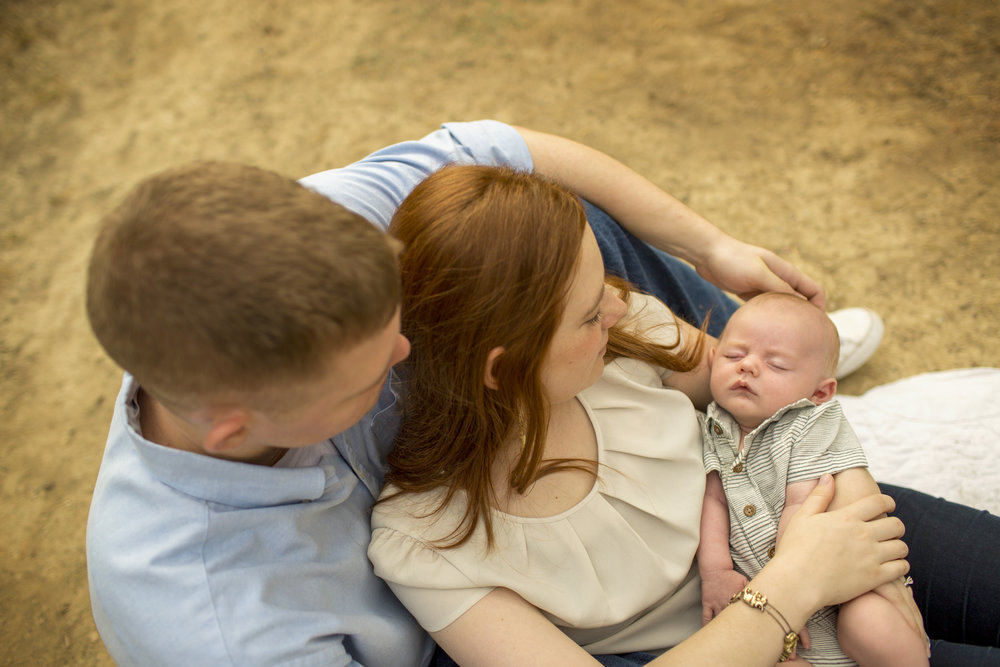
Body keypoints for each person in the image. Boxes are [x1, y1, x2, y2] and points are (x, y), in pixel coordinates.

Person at [83, 120, 995, 666]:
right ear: (239, 422)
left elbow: (495, 146)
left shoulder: (309, 246)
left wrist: (723, 285)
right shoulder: (220, 624)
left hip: (774, 514)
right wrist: (793, 589)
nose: (407, 347)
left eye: (398, 316)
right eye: (372, 371)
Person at [366, 164, 914, 666]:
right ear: (504, 369)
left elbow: (792, 402)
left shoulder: (627, 339)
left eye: (602, 281)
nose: (618, 307)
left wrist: (865, 531)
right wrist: (798, 582)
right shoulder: (427, 545)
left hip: (819, 513)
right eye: (587, 315)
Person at [697, 293, 928, 666]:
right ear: (713, 360)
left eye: (776, 365)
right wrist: (716, 571)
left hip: (835, 587)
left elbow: (802, 505)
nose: (748, 367)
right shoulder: (714, 424)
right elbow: (713, 500)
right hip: (762, 612)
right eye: (734, 356)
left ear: (820, 392)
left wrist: (789, 587)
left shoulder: (809, 422)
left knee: (869, 622)